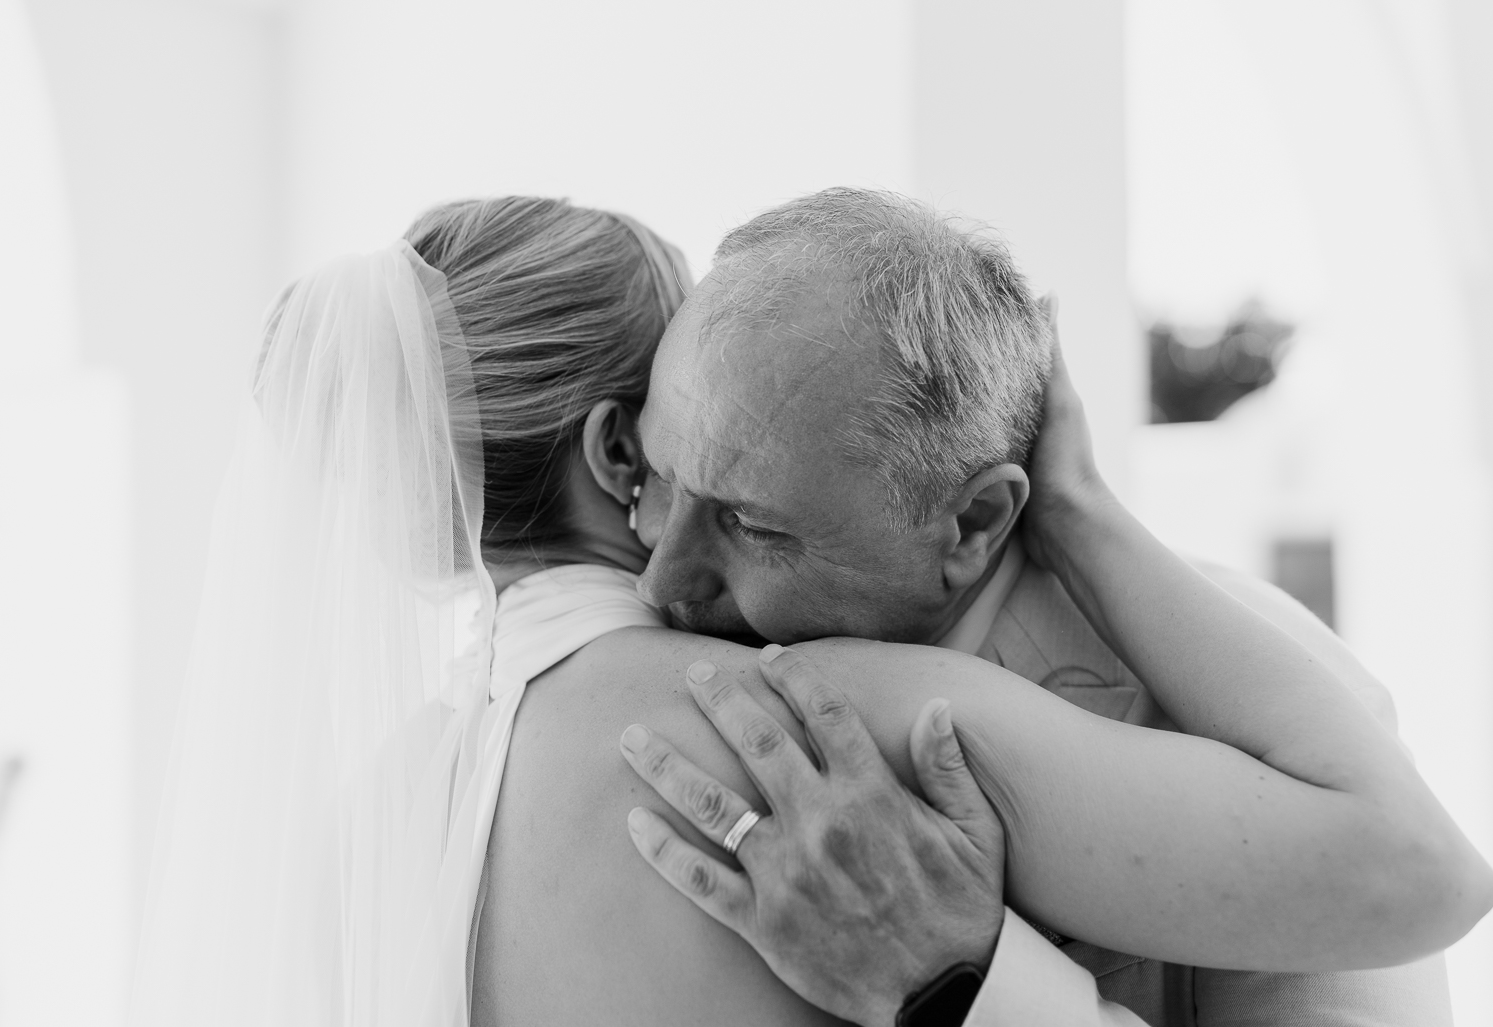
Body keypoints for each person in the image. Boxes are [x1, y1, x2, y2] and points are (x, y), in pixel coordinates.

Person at [128, 195, 1489, 1027]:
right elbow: (1415, 873)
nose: (682, 581)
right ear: (621, 448)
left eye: (758, 511)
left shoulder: (361, 822)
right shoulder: (819, 718)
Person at [619, 188, 1493, 1024]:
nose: (661, 577)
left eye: (750, 525)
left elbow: (1421, 880)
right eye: (658, 477)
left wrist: (959, 989)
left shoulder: (1269, 705)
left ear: (974, 521)